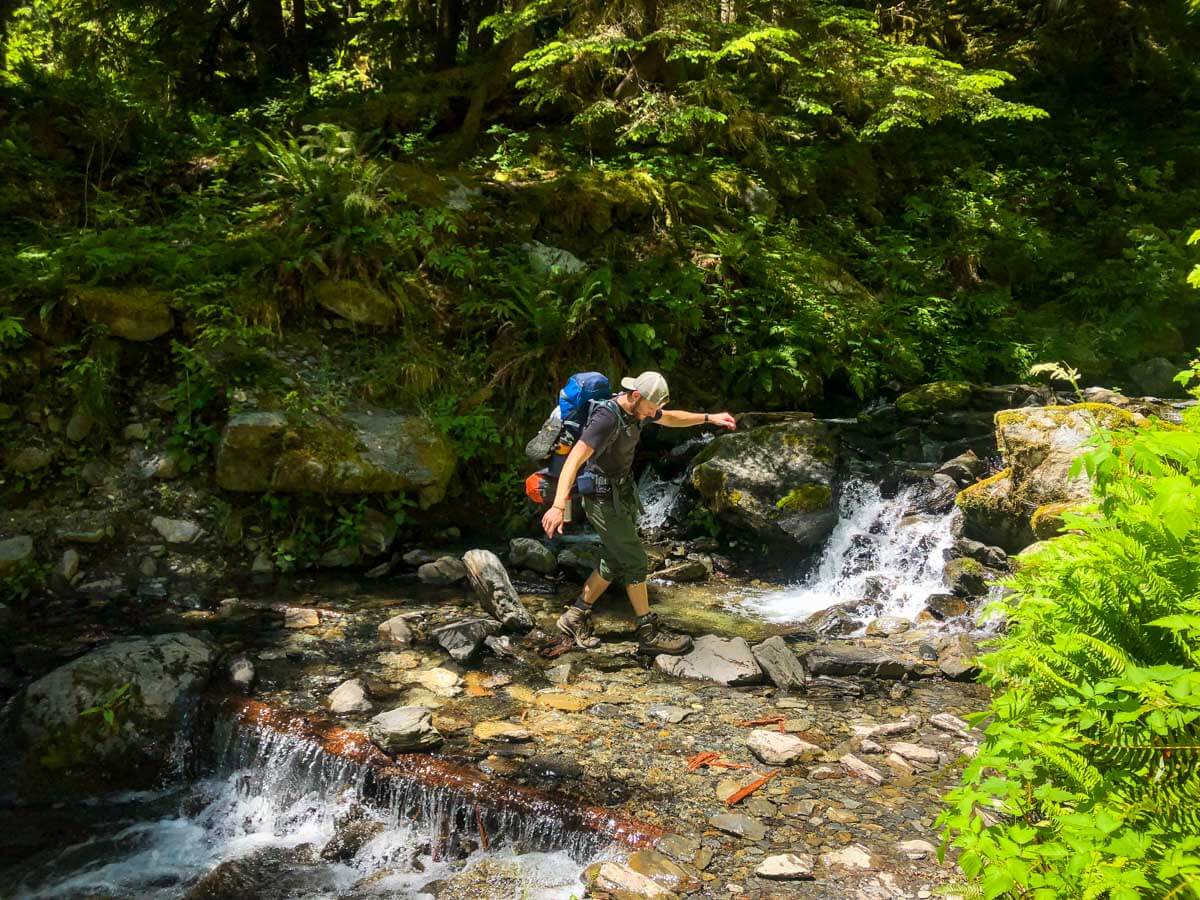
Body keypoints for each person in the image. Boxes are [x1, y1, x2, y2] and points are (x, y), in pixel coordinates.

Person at [541, 371, 737, 654]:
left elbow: (671, 418)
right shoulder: (606, 418)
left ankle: (574, 618)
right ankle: (647, 630)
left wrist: (709, 417)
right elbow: (574, 459)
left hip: (621, 494)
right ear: (635, 396)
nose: (655, 413)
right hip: (601, 499)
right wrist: (559, 505)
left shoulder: (638, 410)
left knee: (614, 559)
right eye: (651, 407)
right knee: (635, 561)